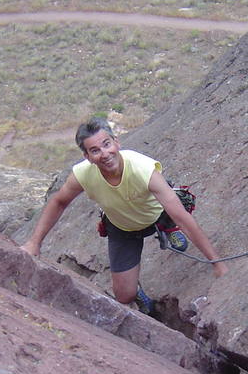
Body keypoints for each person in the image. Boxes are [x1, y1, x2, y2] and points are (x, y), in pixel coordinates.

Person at [20, 117, 228, 312]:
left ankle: (168, 226)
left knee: (173, 204)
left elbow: (183, 216)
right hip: (123, 226)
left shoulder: (142, 170)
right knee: (124, 296)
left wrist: (216, 262)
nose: (104, 153)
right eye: (95, 150)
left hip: (158, 212)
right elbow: (59, 201)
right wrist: (34, 243)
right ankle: (137, 292)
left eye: (106, 144)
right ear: (87, 157)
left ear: (116, 142)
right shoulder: (83, 174)